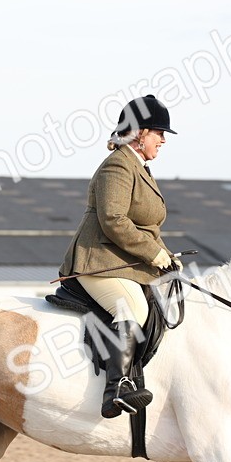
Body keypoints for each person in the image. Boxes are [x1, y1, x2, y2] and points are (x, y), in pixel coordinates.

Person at [58, 94, 178, 418]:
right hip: (97, 262)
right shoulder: (117, 166)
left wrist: (167, 254)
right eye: (159, 133)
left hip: (120, 263)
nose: (164, 140)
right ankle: (118, 387)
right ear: (140, 133)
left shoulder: (140, 168)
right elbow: (114, 220)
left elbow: (146, 226)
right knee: (134, 306)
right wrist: (153, 253)